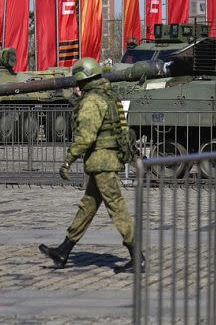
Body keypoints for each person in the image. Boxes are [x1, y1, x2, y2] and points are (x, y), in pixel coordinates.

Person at [39, 57, 143, 271]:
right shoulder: (108, 95)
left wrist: (68, 160)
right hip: (104, 161)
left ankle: (137, 255)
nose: (76, 87)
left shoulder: (92, 100)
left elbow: (85, 136)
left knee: (117, 208)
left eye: (78, 83)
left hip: (102, 161)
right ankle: (63, 251)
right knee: (88, 206)